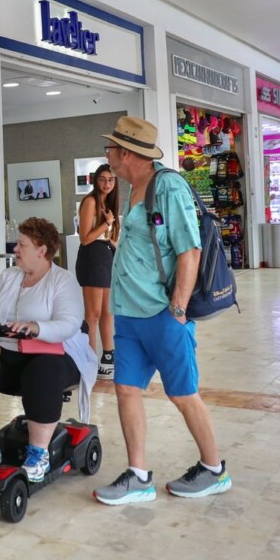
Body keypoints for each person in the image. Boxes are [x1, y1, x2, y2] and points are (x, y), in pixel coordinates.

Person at [93, 116, 231, 505]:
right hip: (129, 315)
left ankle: (214, 469)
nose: (107, 156)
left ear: (126, 153)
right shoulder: (133, 189)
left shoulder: (167, 186)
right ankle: (138, 476)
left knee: (183, 393)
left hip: (162, 313)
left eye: (110, 149)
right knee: (125, 389)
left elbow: (190, 250)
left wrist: (178, 309)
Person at [0, 217, 98, 481]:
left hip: (59, 356)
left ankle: (39, 454)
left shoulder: (63, 280)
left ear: (41, 250)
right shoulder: (9, 276)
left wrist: (36, 327)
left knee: (42, 371)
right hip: (11, 352)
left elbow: (70, 323)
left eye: (22, 245)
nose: (15, 249)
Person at [76, 164, 119, 379]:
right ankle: (90, 361)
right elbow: (85, 239)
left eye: (110, 179)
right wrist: (107, 223)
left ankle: (108, 357)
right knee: (93, 315)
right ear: (95, 181)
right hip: (92, 258)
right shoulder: (91, 201)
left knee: (107, 312)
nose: (107, 183)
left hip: (106, 257)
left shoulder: (109, 203)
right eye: (102, 179)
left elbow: (109, 237)